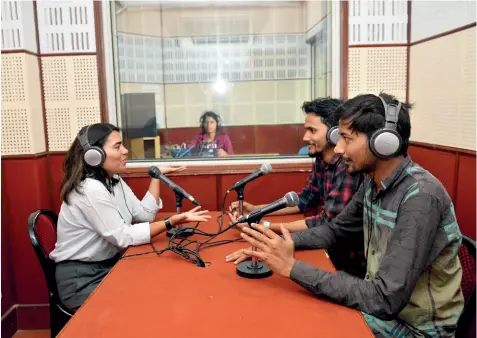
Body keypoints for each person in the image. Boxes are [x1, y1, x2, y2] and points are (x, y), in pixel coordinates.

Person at [226, 93, 464, 337]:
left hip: (417, 329)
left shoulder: (420, 198)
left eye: (347, 139)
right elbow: (335, 230)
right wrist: (273, 246)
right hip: (385, 311)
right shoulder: (372, 183)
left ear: (383, 143)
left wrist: (291, 267)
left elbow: (384, 298)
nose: (338, 149)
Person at [50, 123, 211, 312]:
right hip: (81, 279)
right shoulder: (89, 189)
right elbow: (123, 236)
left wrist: (156, 176)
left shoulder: (114, 180)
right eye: (117, 147)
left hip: (107, 266)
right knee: (141, 305)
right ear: (93, 155)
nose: (125, 151)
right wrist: (170, 222)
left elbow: (144, 215)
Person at [229, 98, 363, 234]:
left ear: (334, 133)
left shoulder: (347, 168)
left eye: (312, 130)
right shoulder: (321, 160)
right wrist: (255, 210)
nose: (305, 137)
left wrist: (264, 226)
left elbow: (326, 222)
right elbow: (305, 199)